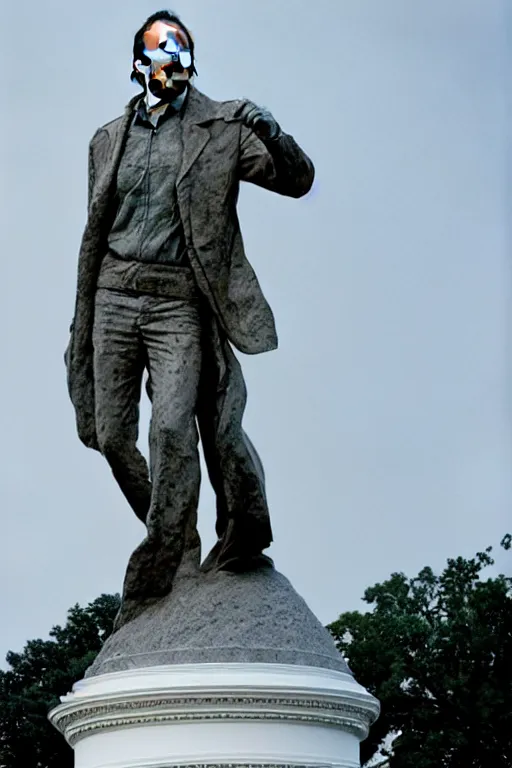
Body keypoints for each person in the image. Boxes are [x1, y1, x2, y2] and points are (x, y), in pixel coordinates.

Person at [65, 9, 315, 624]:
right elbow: (96, 230)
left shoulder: (221, 128)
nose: (172, 59)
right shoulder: (105, 139)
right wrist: (83, 316)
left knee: (174, 429)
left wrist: (273, 132)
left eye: (181, 50)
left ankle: (163, 553)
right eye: (160, 49)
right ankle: (178, 541)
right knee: (111, 436)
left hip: (179, 301)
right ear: (137, 63)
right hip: (113, 295)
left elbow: (297, 180)